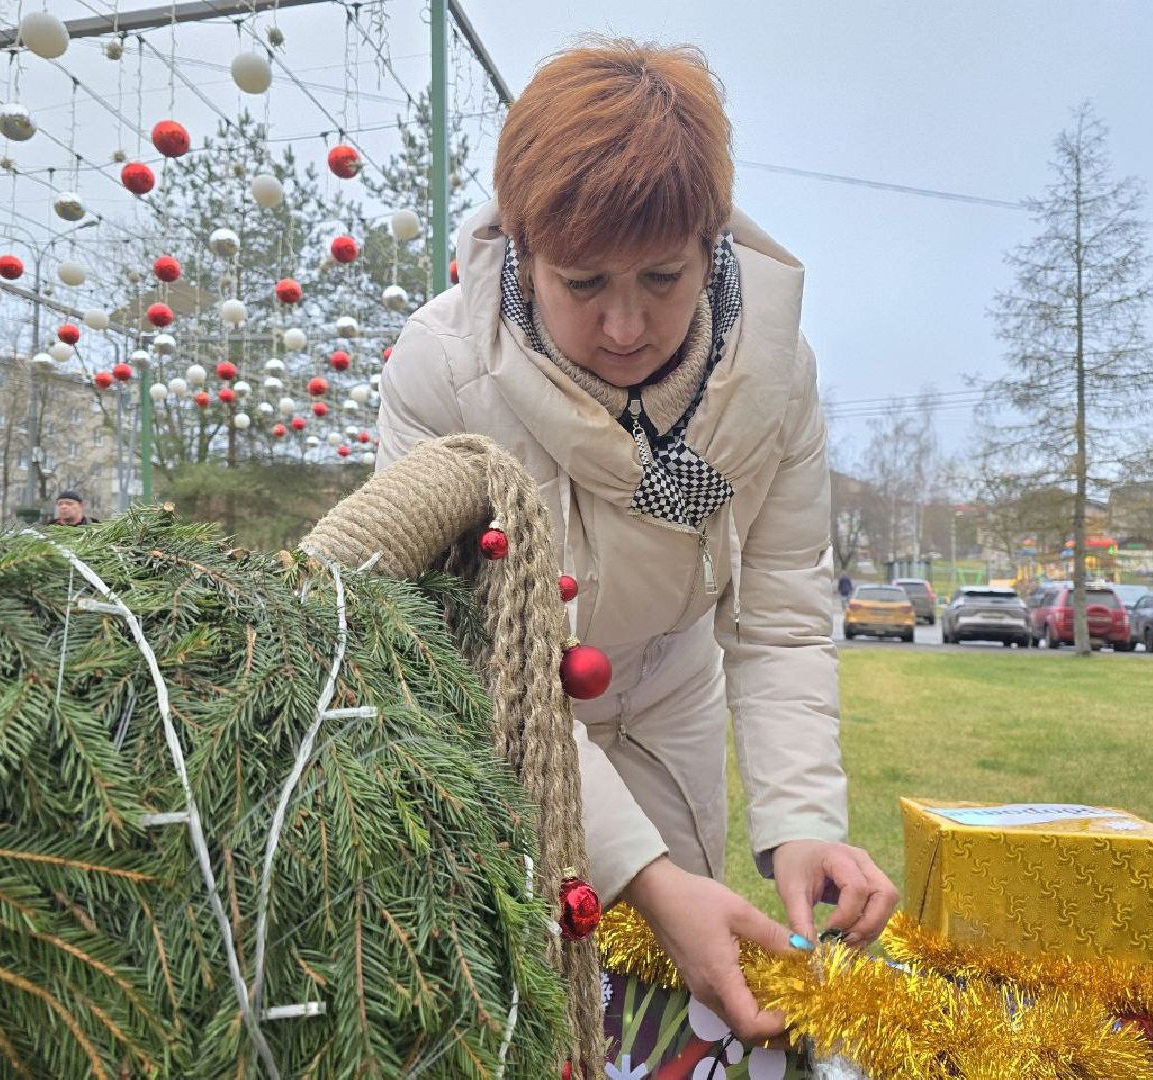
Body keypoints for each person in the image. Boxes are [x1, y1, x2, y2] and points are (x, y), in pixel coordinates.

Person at [376, 39, 896, 1044]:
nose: (625, 325)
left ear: (711, 243)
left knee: (663, 1014)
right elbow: (464, 650)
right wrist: (643, 876)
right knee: (509, 994)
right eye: (582, 284)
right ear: (523, 253)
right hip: (495, 721)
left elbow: (781, 613)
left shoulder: (778, 374)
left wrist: (801, 822)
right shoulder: (439, 372)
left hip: (667, 702)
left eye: (663, 277)